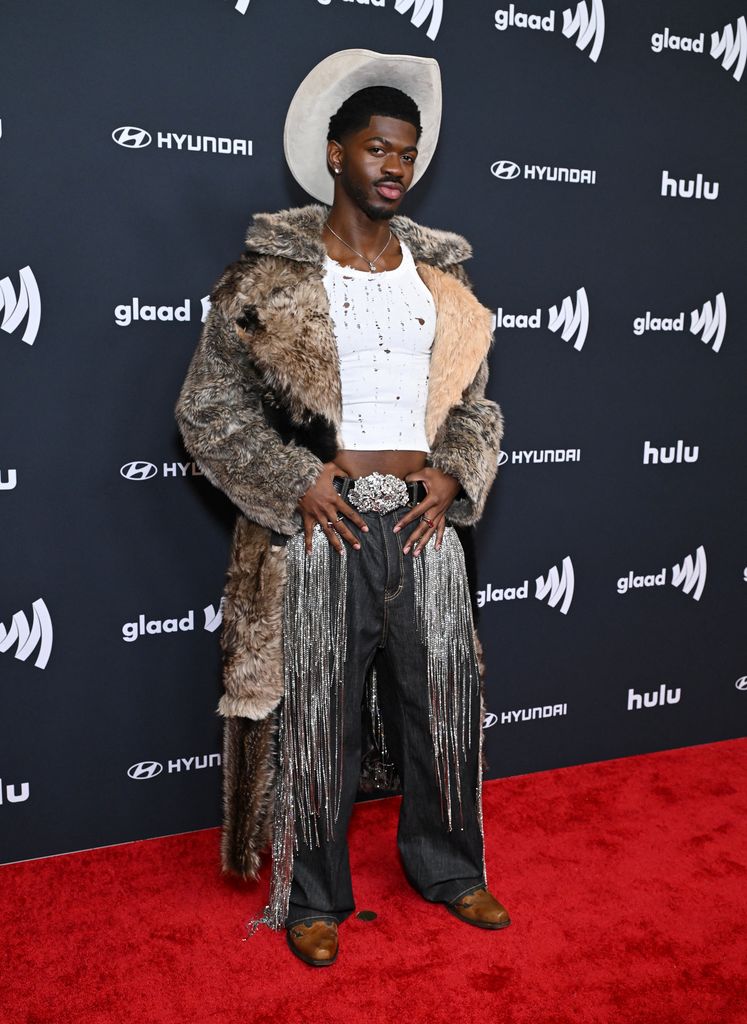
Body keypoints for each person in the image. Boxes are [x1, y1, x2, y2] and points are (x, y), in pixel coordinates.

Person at [175, 48, 509, 968]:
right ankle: (315, 895)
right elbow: (206, 410)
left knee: (443, 703)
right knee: (317, 712)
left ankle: (449, 868)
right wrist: (293, 480)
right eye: (376, 149)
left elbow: (475, 407)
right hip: (324, 525)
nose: (394, 166)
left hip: (419, 519)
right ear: (334, 154)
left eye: (406, 152)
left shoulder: (443, 286)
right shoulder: (267, 279)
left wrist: (454, 474)